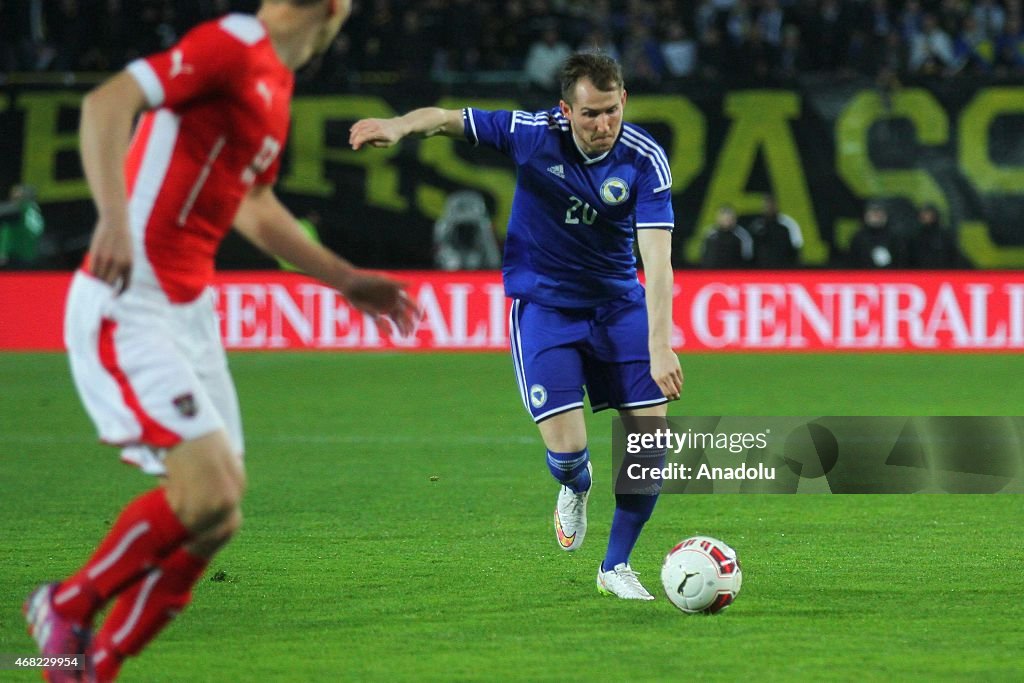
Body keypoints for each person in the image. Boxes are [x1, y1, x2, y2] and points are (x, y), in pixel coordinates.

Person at [22, 2, 418, 681]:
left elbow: (253, 206)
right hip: (132, 297)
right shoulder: (234, 45)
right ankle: (65, 603)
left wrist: (346, 278)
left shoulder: (274, 83)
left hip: (189, 311)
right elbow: (105, 104)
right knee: (206, 494)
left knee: (218, 516)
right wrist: (114, 219)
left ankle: (96, 665)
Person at [350, 52, 683, 601]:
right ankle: (577, 484)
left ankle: (615, 566)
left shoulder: (645, 158)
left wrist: (660, 347)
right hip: (546, 308)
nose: (602, 126)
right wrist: (399, 126)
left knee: (649, 442)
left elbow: (660, 262)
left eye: (610, 111)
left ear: (623, 100)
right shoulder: (532, 134)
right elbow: (448, 119)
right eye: (588, 115)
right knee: (569, 451)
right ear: (564, 111)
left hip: (619, 306)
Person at [748, 193, 803, 268]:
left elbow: (797, 249)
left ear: (777, 206)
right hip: (761, 271)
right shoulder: (756, 226)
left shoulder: (788, 224)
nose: (769, 207)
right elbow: (750, 251)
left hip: (783, 270)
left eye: (771, 204)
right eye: (766, 205)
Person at [907, 203, 969, 269]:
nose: (924, 216)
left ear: (934, 215)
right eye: (922, 214)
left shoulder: (944, 236)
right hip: (920, 275)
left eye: (927, 214)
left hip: (942, 274)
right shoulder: (915, 236)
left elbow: (953, 256)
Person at [847, 200, 906, 268]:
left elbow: (901, 260)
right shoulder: (859, 238)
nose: (876, 216)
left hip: (891, 276)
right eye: (873, 213)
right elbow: (852, 261)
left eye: (879, 213)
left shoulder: (895, 237)